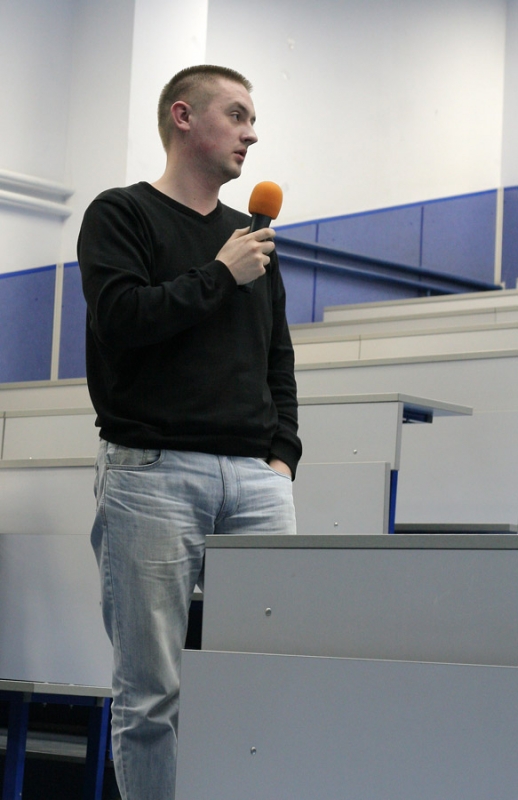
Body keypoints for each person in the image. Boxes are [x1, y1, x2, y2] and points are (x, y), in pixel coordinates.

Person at [77, 64, 302, 800]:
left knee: (268, 680)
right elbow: (121, 321)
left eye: (252, 119)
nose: (252, 133)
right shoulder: (121, 214)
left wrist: (282, 457)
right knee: (151, 694)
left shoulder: (253, 238)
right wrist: (218, 274)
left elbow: (276, 356)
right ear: (183, 117)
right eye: (237, 115)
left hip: (256, 482)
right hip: (152, 475)